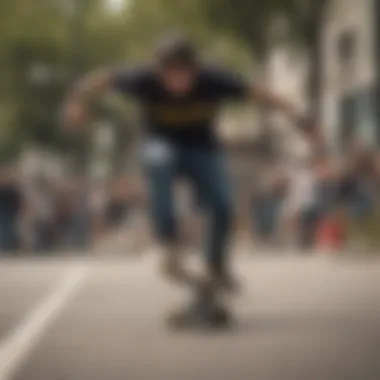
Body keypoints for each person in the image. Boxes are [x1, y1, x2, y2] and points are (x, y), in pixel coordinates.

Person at [62, 34, 313, 318]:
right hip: (161, 144)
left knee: (223, 204)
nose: (177, 82)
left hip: (203, 149)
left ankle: (216, 262)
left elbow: (261, 94)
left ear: (195, 70)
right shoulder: (143, 79)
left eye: (183, 75)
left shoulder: (214, 80)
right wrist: (75, 103)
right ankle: (169, 243)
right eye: (169, 75)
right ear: (159, 71)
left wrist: (301, 120)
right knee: (159, 158)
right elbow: (100, 80)